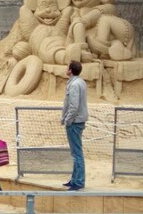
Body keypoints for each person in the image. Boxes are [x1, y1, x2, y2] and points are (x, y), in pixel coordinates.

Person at [61, 60, 88, 191]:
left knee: (77, 153)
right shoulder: (79, 82)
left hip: (75, 122)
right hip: (77, 121)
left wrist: (67, 120)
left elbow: (74, 106)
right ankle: (75, 179)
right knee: (76, 152)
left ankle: (79, 181)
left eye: (67, 67)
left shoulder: (75, 84)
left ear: (70, 70)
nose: (66, 69)